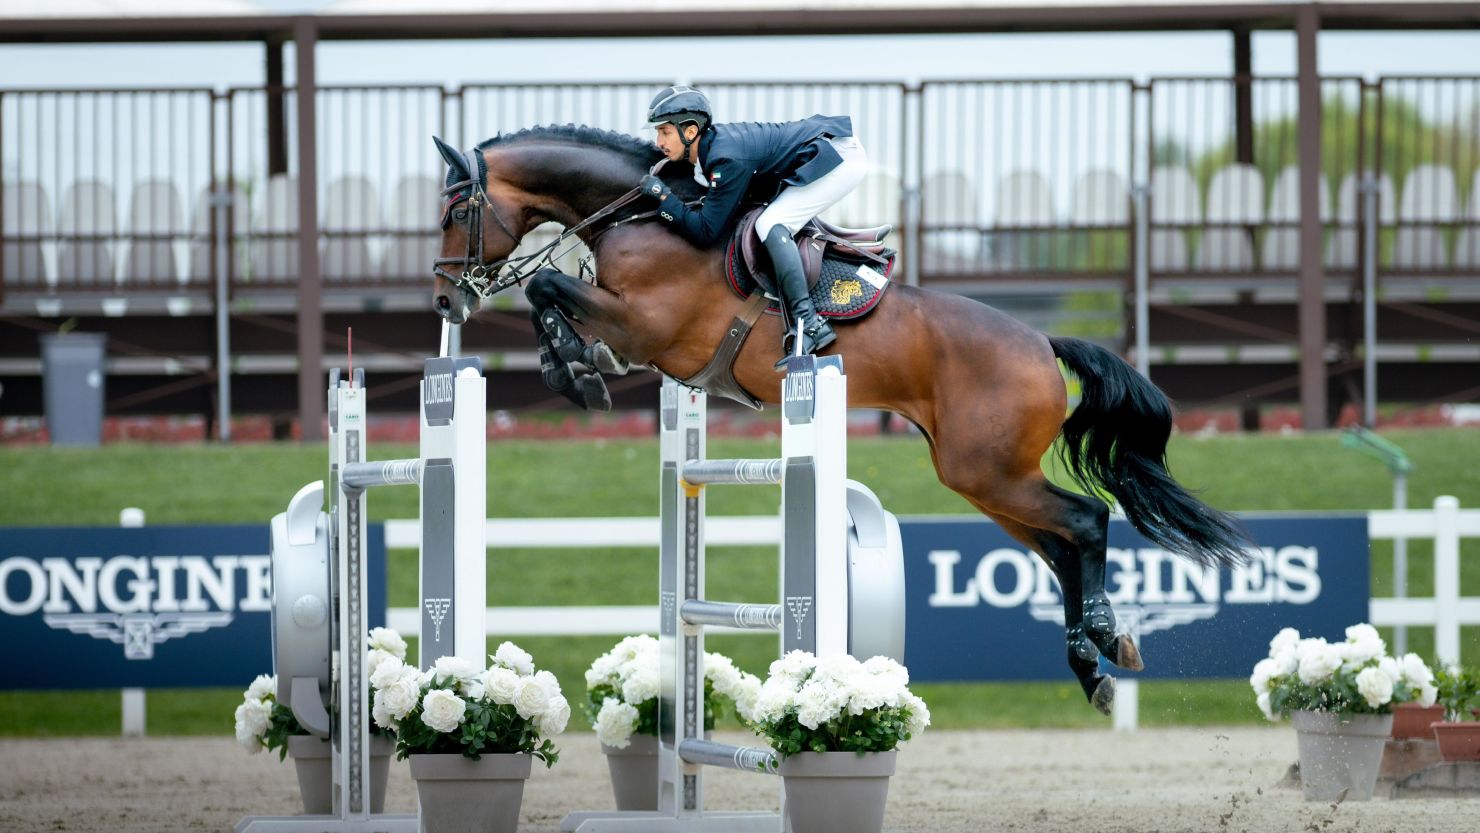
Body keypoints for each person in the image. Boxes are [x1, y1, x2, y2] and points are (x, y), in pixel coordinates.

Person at [637, 85, 867, 368]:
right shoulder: (709, 155)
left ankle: (809, 323)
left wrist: (663, 198)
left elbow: (705, 232)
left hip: (840, 158)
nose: (659, 141)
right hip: (822, 147)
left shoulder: (724, 159)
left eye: (665, 132)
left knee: (771, 223)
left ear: (691, 131)